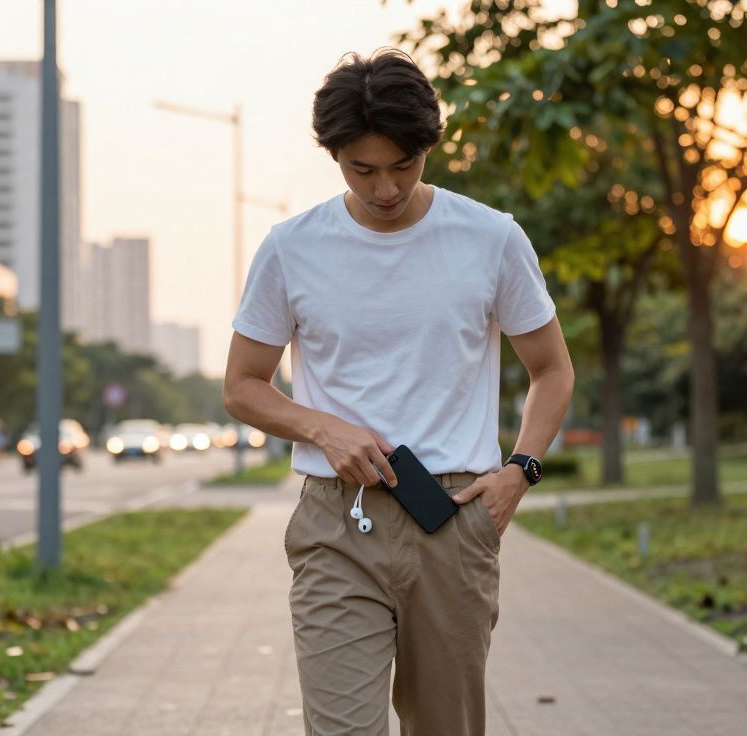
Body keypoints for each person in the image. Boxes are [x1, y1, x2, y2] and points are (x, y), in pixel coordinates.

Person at [223, 48, 575, 735]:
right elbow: (241, 386)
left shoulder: (491, 239)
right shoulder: (291, 248)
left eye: (402, 167)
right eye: (363, 170)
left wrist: (520, 471)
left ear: (427, 149)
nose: (385, 188)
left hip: (453, 515)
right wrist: (323, 428)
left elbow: (552, 369)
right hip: (335, 522)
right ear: (334, 156)